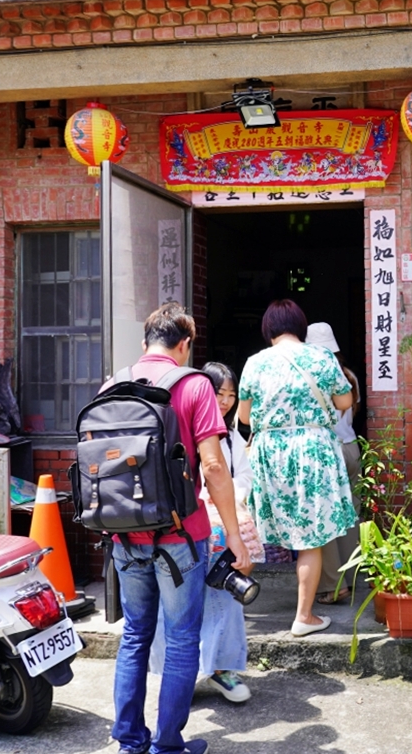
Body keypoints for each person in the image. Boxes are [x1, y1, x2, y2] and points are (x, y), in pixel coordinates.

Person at [109, 303, 249, 754]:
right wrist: (234, 534)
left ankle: (130, 740)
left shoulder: (112, 385)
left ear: (145, 341)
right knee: (183, 638)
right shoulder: (193, 386)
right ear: (185, 344)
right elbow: (213, 465)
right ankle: (168, 745)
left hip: (124, 535)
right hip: (180, 537)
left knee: (135, 634)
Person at [237, 299, 357, 637]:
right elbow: (345, 401)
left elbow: (244, 417)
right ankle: (304, 616)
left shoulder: (255, 363)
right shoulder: (320, 358)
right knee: (311, 538)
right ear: (300, 327)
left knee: (279, 532)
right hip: (312, 452)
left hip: (272, 453)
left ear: (269, 329)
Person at [149, 362, 263, 705]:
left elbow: (241, 476)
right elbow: (208, 473)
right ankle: (177, 673)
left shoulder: (230, 435)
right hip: (186, 527)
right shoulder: (182, 427)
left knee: (223, 595)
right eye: (219, 394)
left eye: (231, 396)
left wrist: (230, 505)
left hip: (219, 525)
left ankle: (220, 667)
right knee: (175, 602)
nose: (225, 402)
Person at [306, 322, 363, 606]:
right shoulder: (349, 375)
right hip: (352, 448)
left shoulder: (311, 376)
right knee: (351, 515)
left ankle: (332, 585)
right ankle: (351, 577)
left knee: (325, 517)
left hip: (328, 451)